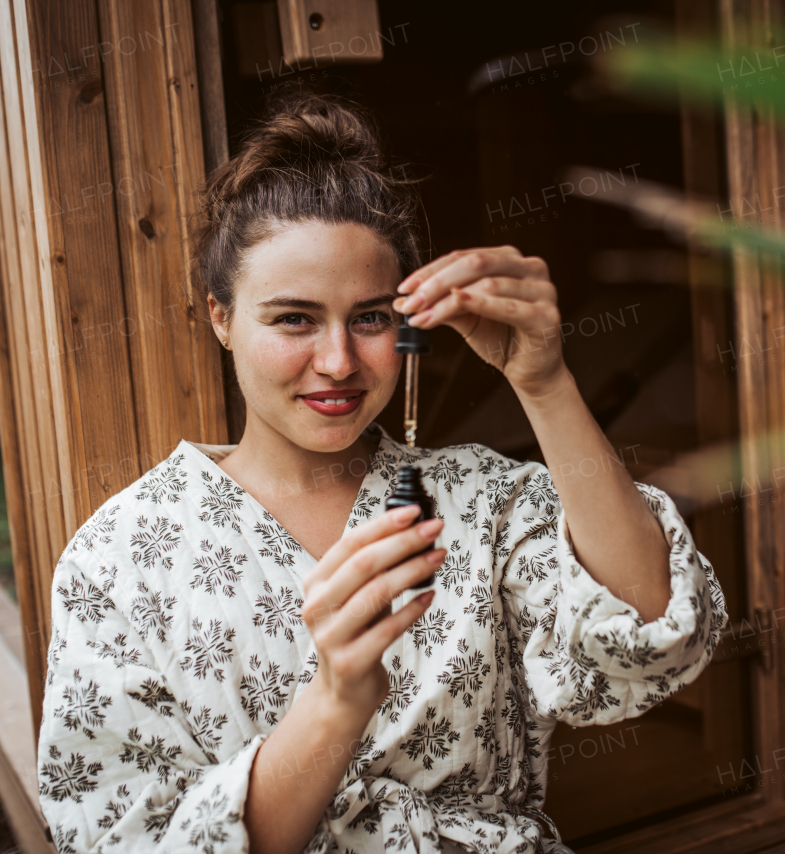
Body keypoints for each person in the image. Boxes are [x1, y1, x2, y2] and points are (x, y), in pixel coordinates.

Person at [36, 90, 727, 854]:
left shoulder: (480, 499)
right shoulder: (119, 556)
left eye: (370, 318)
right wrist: (336, 700)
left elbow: (654, 633)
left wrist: (544, 381)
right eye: (294, 318)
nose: (337, 363)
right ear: (220, 317)